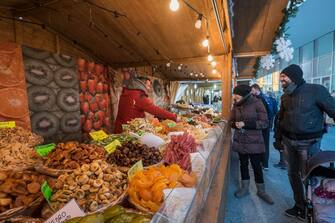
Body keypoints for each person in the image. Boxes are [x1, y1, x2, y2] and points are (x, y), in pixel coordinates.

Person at [277, 64, 335, 220]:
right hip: (289, 141)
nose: (281, 79)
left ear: (295, 77)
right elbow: (280, 119)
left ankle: (314, 209)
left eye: (284, 76)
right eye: (281, 76)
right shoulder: (285, 96)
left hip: (309, 143)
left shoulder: (316, 90)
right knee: (292, 174)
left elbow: (333, 110)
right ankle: (300, 206)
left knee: (308, 176)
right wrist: (278, 140)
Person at [230, 85, 274, 205]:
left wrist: (245, 124)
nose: (235, 100)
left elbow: (264, 123)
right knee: (243, 165)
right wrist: (235, 124)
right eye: (234, 97)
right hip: (240, 140)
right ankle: (245, 188)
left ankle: (261, 191)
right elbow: (231, 120)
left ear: (244, 96)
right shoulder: (236, 105)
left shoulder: (257, 103)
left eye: (237, 97)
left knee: (256, 166)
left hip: (254, 141)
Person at [251, 84, 278, 170]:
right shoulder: (266, 98)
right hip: (266, 125)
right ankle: (265, 164)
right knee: (265, 144)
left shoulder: (259, 99)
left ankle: (259, 164)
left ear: (256, 89)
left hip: (260, 125)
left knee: (258, 144)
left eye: (252, 90)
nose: (251, 92)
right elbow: (273, 111)